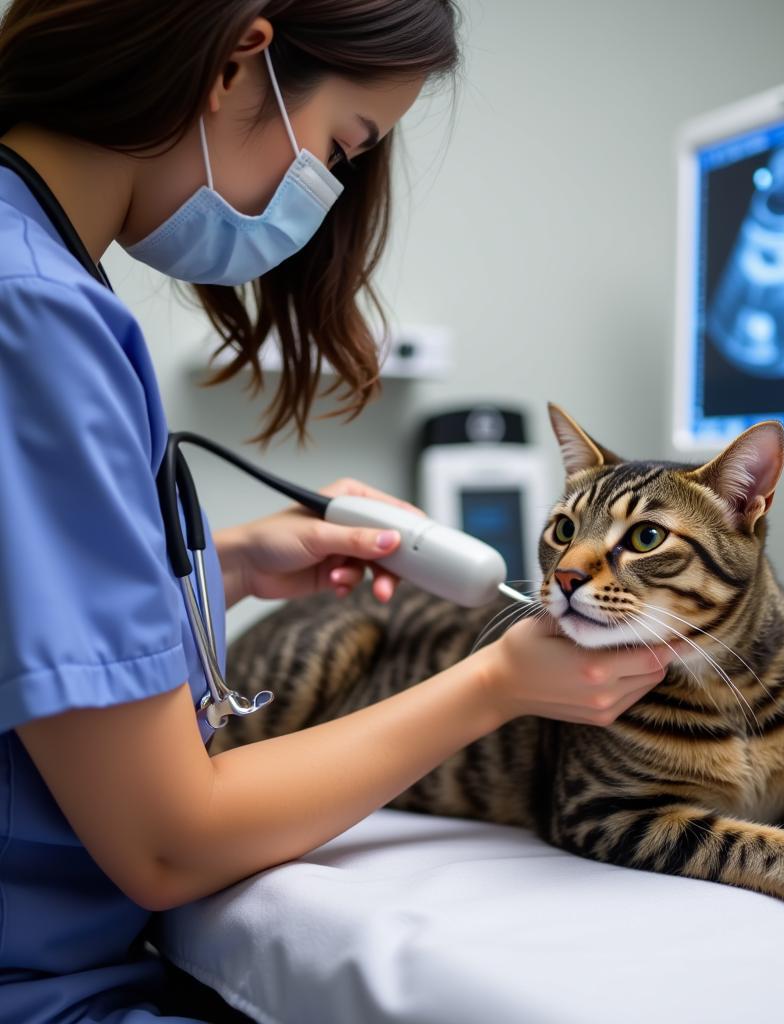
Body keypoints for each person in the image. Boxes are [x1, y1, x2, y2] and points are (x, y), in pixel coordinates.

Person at [0, 2, 685, 1021]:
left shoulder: (41, 274)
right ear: (239, 65)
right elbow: (165, 840)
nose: (320, 198)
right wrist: (491, 683)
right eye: (339, 148)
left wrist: (223, 566)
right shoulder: (35, 315)